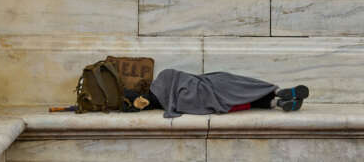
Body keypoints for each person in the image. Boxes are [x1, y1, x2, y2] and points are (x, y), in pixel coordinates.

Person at [123, 69, 309, 118]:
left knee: (231, 86)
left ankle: (276, 96)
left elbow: (181, 77)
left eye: (138, 100)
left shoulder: (163, 77)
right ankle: (276, 98)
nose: (141, 103)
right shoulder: (161, 101)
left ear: (140, 93)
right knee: (230, 97)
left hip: (203, 83)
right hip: (201, 92)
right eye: (139, 106)